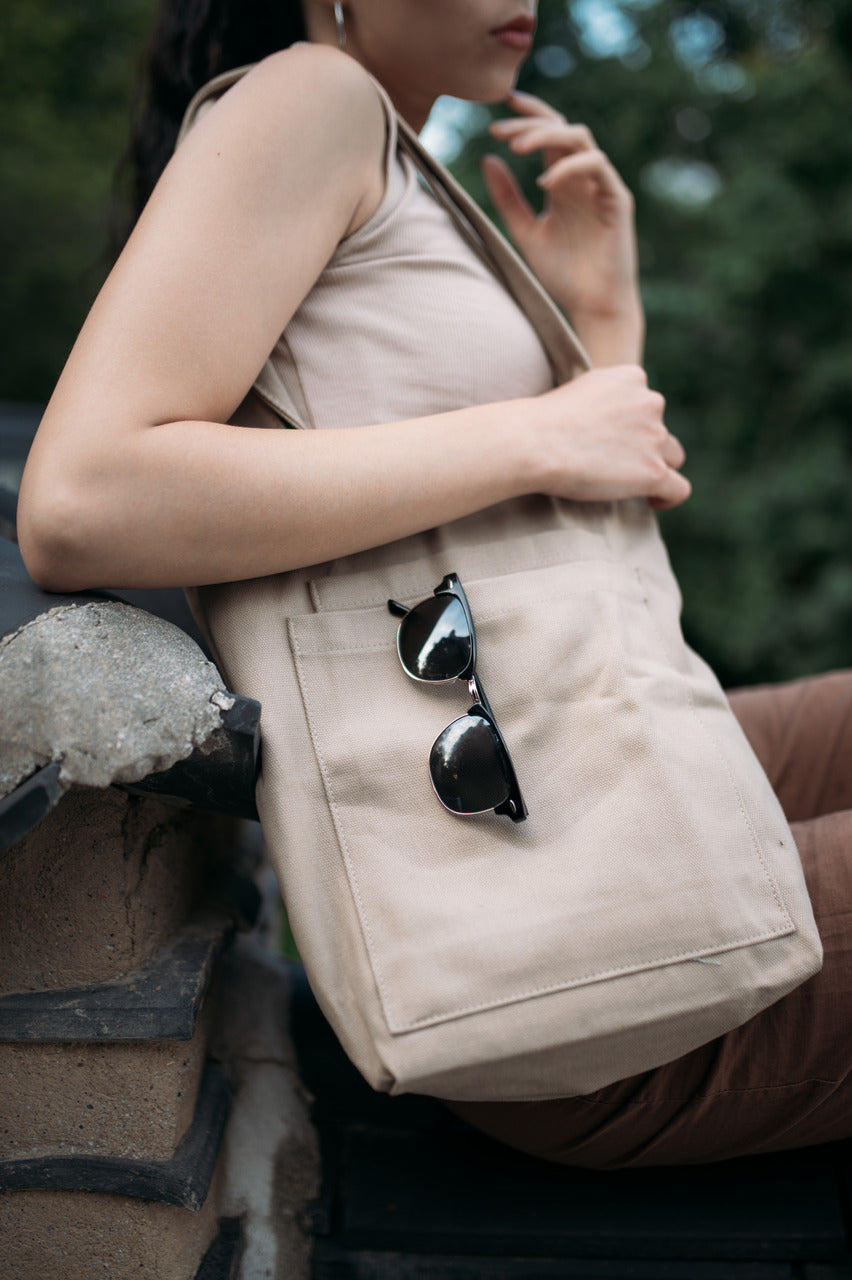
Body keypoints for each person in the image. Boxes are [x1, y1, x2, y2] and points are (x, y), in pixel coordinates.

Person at [16, 1, 851, 1167]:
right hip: (576, 969)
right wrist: (537, 430)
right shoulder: (314, 95)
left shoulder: (391, 156)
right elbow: (82, 501)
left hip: (590, 786)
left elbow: (584, 542)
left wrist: (600, 313)